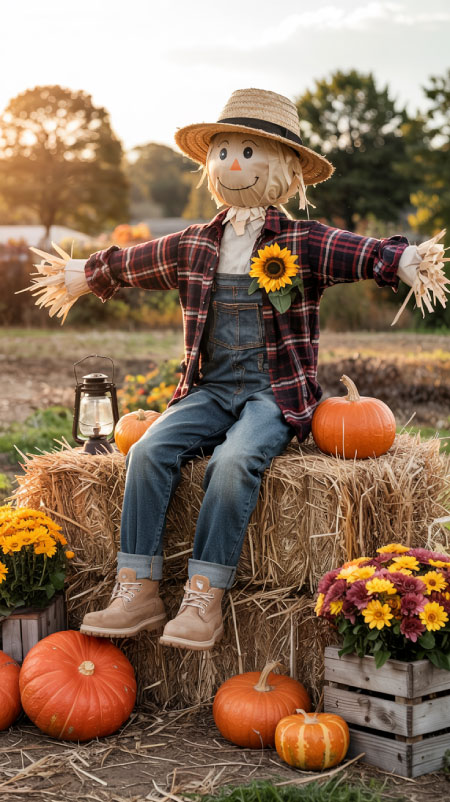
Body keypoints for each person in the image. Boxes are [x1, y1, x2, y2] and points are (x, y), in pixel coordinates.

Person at [29, 88, 433, 651]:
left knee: (234, 459)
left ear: (284, 168)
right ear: (209, 163)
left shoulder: (300, 239)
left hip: (273, 394)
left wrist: (401, 260)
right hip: (211, 389)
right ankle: (136, 587)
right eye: (223, 152)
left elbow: (356, 250)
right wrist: (86, 273)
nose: (233, 163)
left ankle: (204, 596)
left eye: (248, 152)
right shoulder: (195, 243)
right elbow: (133, 261)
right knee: (147, 450)